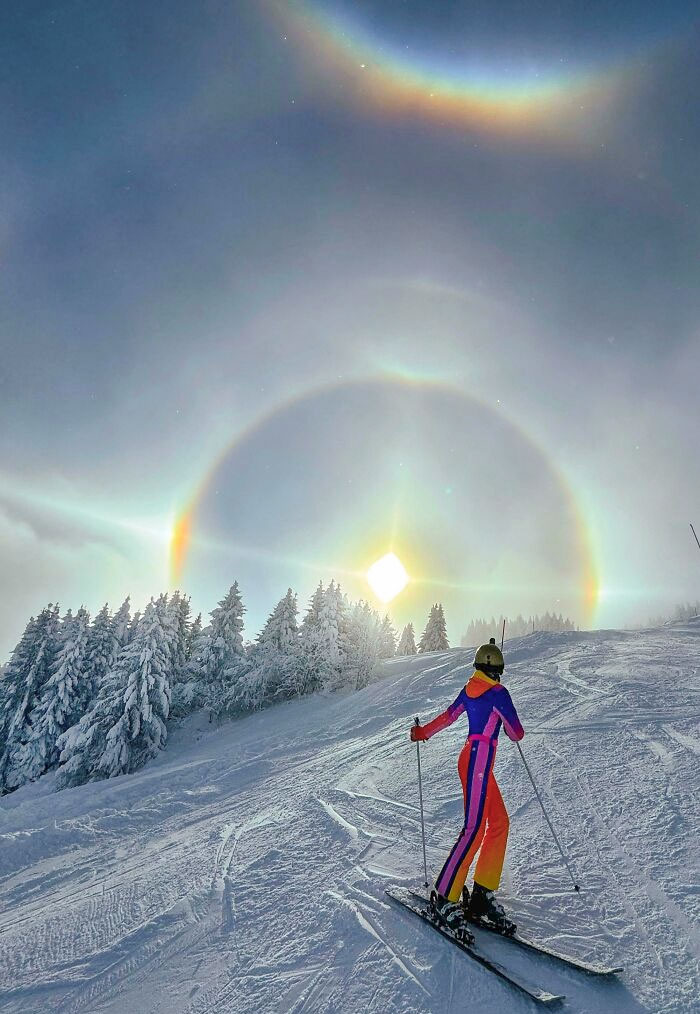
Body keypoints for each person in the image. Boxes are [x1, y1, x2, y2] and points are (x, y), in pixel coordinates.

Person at [410, 637, 524, 934]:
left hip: (474, 762)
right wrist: (504, 711)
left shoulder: (469, 689)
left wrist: (423, 733)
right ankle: (444, 895)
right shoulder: (499, 693)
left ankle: (481, 895)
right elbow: (516, 733)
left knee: (499, 822)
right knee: (474, 829)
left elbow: (449, 717)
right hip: (477, 763)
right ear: (497, 670)